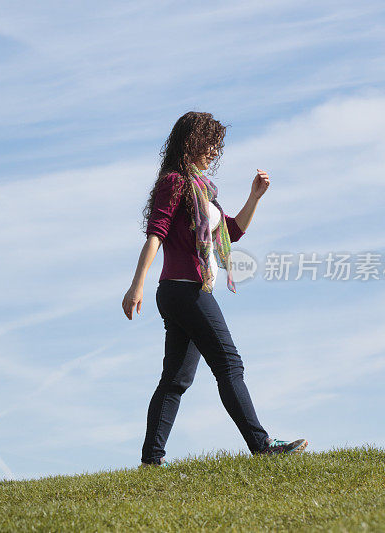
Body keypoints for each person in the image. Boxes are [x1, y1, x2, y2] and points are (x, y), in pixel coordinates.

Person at [121, 111, 308, 467]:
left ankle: (151, 461)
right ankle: (262, 444)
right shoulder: (175, 183)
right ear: (190, 141)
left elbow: (231, 233)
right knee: (229, 363)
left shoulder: (204, 191)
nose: (213, 150)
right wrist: (136, 285)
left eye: (216, 145)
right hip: (184, 290)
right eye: (208, 142)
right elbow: (156, 234)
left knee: (177, 378)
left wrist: (255, 197)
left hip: (188, 291)